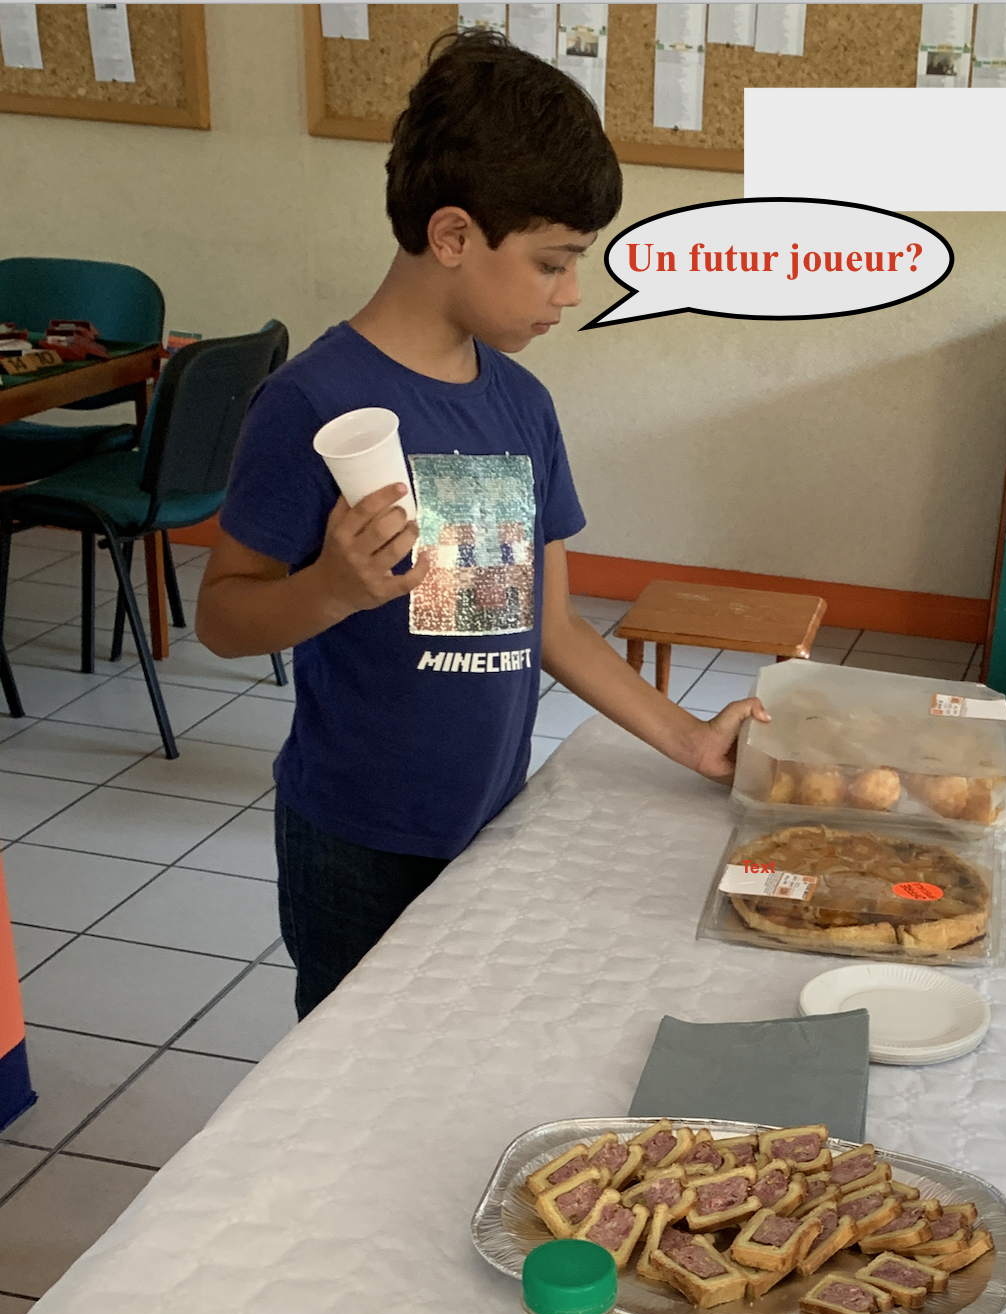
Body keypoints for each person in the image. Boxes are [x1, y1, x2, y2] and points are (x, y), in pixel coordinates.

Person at [198, 28, 767, 1020]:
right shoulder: (309, 402)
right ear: (454, 236)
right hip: (355, 839)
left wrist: (687, 740)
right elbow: (221, 617)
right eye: (552, 262)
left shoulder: (522, 405)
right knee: (351, 1064)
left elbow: (549, 623)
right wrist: (328, 589)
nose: (572, 293)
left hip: (492, 818)